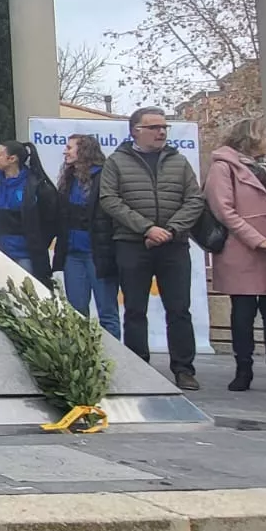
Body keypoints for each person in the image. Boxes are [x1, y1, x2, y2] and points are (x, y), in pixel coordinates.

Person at [98, 106, 205, 391]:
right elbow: (109, 200)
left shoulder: (179, 162)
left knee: (179, 309)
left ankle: (184, 369)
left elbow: (194, 200)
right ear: (136, 131)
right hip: (133, 245)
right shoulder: (116, 162)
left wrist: (169, 230)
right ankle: (139, 367)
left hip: (174, 245)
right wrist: (146, 228)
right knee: (134, 309)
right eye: (154, 127)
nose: (161, 132)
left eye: (164, 127)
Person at [204, 117, 266, 395]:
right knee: (243, 313)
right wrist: (258, 240)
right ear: (251, 137)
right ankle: (243, 369)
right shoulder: (222, 168)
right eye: (265, 135)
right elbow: (224, 210)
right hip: (240, 250)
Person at [53, 134, 120, 338]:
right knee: (76, 313)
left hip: (98, 253)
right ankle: (82, 362)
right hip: (73, 254)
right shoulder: (68, 178)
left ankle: (112, 361)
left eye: (70, 147)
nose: (65, 151)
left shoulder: (104, 176)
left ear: (84, 151)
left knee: (107, 312)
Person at [0, 140, 60, 286]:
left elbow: (51, 220)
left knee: (26, 296)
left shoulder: (37, 185)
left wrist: (38, 243)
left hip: (25, 256)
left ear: (12, 159)